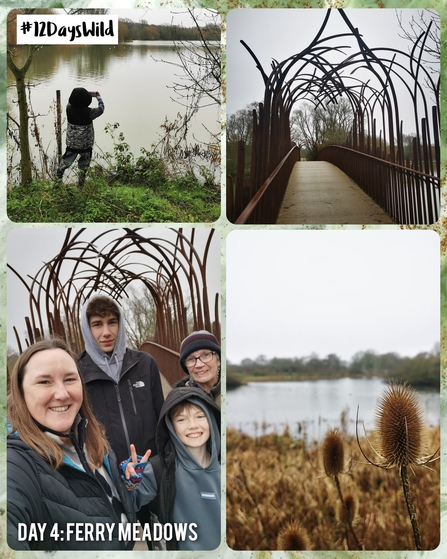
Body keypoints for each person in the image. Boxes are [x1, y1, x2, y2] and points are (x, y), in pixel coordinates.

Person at [7, 338, 136, 551]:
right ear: (21, 393)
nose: (62, 393)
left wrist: (129, 485)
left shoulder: (92, 439)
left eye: (69, 379)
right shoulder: (16, 462)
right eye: (44, 382)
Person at [77, 292, 165, 546]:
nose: (106, 331)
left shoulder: (145, 363)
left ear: (121, 323)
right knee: (120, 541)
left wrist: (162, 463)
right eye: (97, 324)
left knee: (158, 537)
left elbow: (162, 417)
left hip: (149, 470)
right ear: (86, 327)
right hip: (110, 476)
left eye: (112, 322)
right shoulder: (77, 372)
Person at [122, 386, 221, 551]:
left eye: (200, 416)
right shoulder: (158, 470)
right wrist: (130, 482)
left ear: (212, 419)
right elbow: (126, 506)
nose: (192, 425)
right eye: (181, 419)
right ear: (170, 426)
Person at [56, 87, 104, 187]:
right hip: (86, 146)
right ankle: (80, 185)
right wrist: (98, 97)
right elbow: (101, 108)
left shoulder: (68, 109)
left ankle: (57, 181)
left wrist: (85, 94)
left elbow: (75, 99)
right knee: (83, 165)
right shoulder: (90, 112)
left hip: (72, 145)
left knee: (65, 162)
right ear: (87, 100)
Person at [175, 330, 221, 407]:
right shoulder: (179, 401)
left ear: (218, 360)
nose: (199, 365)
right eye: (191, 359)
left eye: (206, 355)